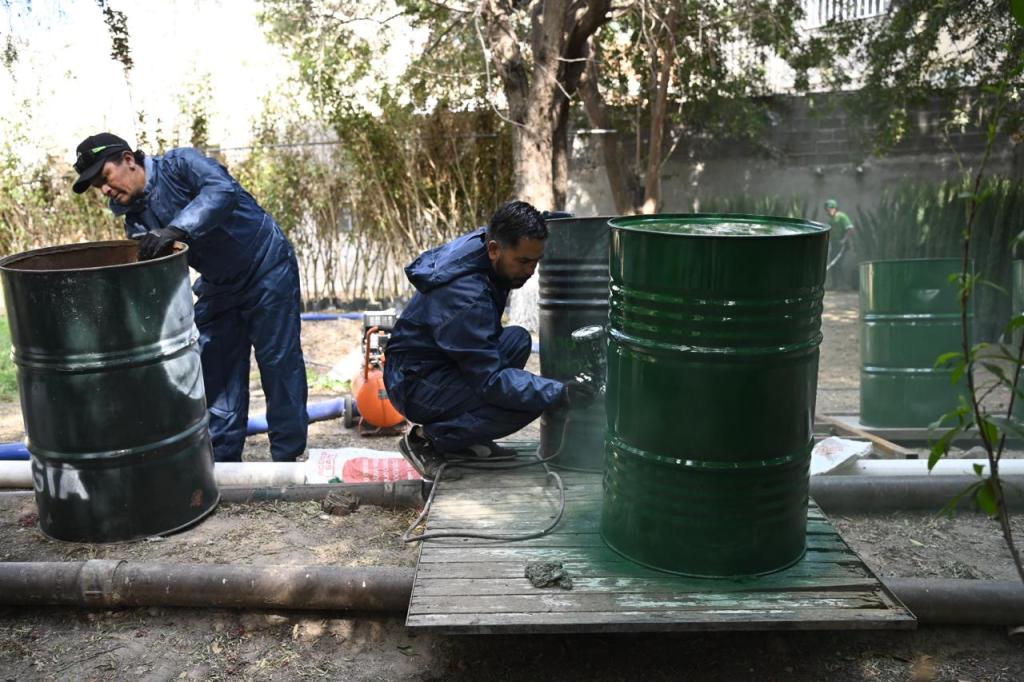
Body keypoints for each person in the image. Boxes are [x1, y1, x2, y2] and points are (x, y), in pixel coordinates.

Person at [71, 132, 308, 462]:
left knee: (278, 362)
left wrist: (176, 229)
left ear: (128, 160)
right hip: (220, 284)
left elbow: (221, 192)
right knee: (216, 366)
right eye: (98, 187)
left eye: (105, 178)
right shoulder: (136, 221)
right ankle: (224, 461)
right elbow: (156, 280)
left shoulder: (181, 164)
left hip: (266, 264)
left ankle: (287, 458)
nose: (106, 190)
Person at [383, 200, 596, 479]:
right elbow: (491, 380)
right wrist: (558, 392)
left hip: (432, 364)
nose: (531, 270)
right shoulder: (466, 297)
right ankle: (426, 440)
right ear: (495, 249)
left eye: (535, 261)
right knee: (526, 403)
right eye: (523, 261)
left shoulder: (485, 245)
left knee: (517, 339)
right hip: (415, 384)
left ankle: (464, 442)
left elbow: (510, 221)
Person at [825, 198, 857, 290]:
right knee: (833, 263)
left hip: (843, 244)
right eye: (827, 209)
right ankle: (835, 285)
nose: (829, 211)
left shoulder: (842, 216)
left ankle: (843, 285)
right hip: (835, 244)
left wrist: (844, 240)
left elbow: (850, 228)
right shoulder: (831, 220)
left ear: (835, 208)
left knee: (839, 263)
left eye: (831, 208)